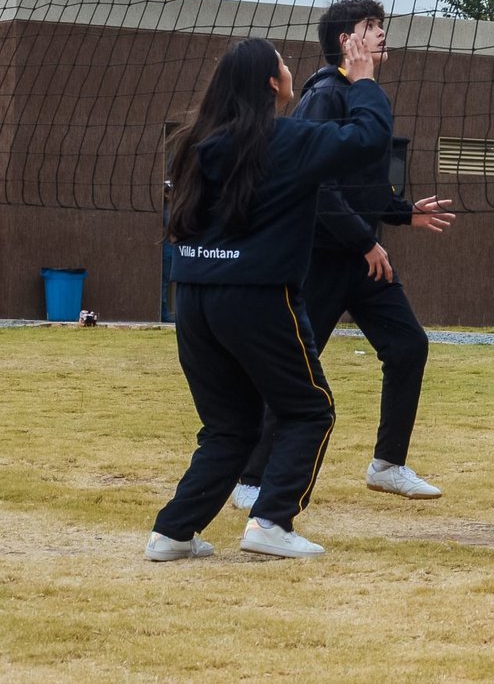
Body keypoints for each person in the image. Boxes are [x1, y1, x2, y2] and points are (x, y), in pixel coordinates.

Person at [146, 35, 391, 561]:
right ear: (270, 83)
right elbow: (369, 137)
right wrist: (364, 76)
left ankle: (172, 532)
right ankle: (271, 522)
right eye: (283, 65)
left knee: (229, 426)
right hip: (257, 297)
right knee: (309, 410)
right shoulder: (287, 140)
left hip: (192, 297)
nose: (289, 71)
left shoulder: (193, 142)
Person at [230, 0, 455, 512]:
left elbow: (358, 184)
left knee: (408, 347)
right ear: (344, 42)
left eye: (380, 26)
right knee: (295, 368)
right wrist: (365, 240)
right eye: (368, 28)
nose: (380, 35)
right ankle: (250, 478)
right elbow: (317, 187)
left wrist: (401, 213)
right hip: (324, 258)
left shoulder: (365, 94)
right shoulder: (325, 96)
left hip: (361, 255)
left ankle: (388, 465)